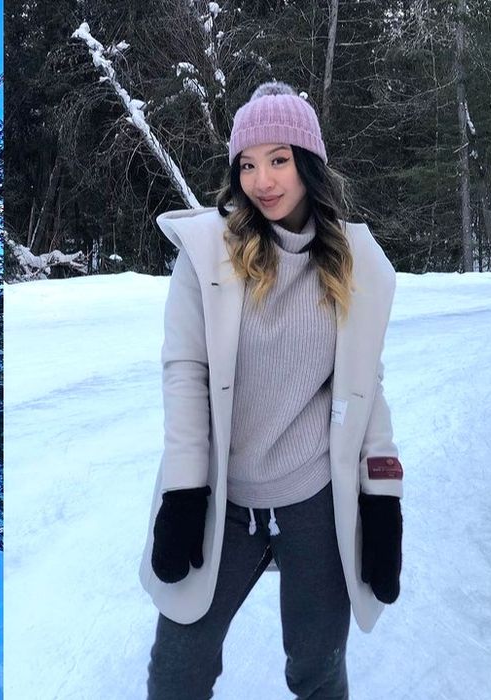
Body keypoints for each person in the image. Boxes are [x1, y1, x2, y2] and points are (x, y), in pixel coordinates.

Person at [139, 81, 405, 699]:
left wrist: (383, 501)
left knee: (317, 672)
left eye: (279, 159)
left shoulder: (358, 265)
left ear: (308, 164)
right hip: (224, 503)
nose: (263, 180)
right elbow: (186, 371)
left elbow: (368, 389)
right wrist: (184, 493)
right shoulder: (207, 253)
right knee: (177, 673)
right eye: (248, 164)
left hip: (314, 501)